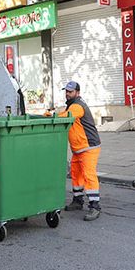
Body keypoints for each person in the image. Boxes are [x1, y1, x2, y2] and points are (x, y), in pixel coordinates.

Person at [49, 81, 102, 221]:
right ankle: (78, 200)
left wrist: (51, 116)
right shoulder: (72, 105)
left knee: (89, 175)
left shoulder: (78, 105)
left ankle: (95, 206)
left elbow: (67, 116)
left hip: (89, 147)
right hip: (79, 149)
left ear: (77, 93)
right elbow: (65, 113)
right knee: (76, 173)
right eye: (66, 91)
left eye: (70, 91)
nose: (67, 93)